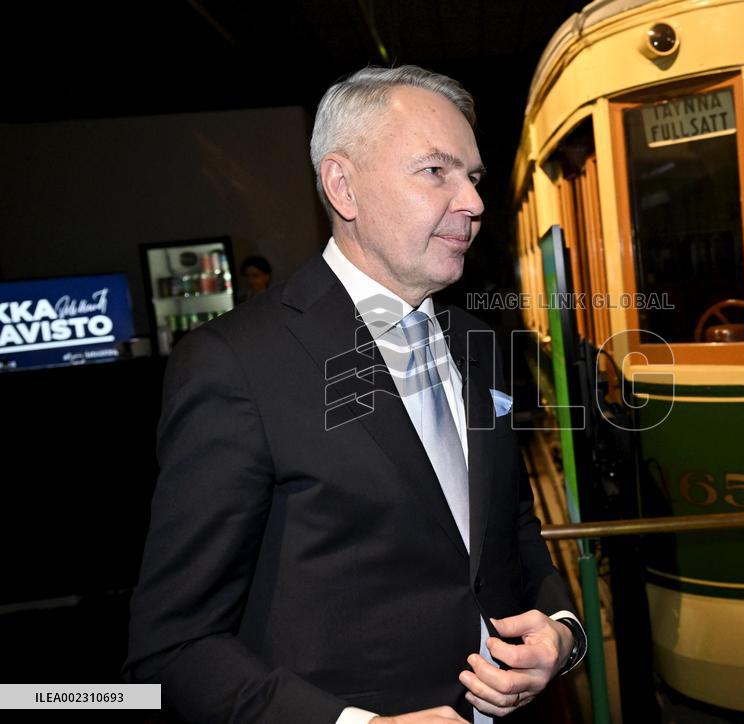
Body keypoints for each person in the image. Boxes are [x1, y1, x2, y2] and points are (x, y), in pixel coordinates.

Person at [125, 65, 586, 724]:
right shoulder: (235, 365)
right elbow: (174, 649)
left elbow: (508, 530)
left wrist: (564, 634)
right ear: (343, 186)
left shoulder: (475, 342)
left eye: (474, 177)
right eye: (436, 172)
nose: (474, 203)